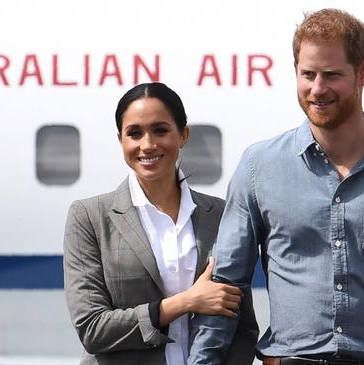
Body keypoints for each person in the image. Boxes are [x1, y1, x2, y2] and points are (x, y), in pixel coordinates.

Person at [188, 8, 364, 365]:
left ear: (363, 72)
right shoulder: (258, 166)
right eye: (307, 74)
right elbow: (226, 285)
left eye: (331, 75)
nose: (317, 89)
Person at [63, 82, 258, 365]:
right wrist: (186, 302)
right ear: (121, 141)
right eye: (134, 133)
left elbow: (243, 326)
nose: (148, 145)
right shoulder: (89, 217)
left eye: (160, 130)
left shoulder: (220, 214)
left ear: (183, 135)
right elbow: (92, 329)